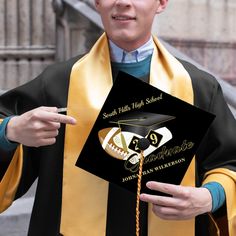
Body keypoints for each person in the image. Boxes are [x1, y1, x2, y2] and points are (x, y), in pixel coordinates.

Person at [0, 0, 236, 235]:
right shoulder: (57, 84)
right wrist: (9, 132)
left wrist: (211, 196)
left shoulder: (199, 88)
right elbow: (6, 123)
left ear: (161, 3)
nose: (123, 2)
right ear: (97, 3)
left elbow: (228, 162)